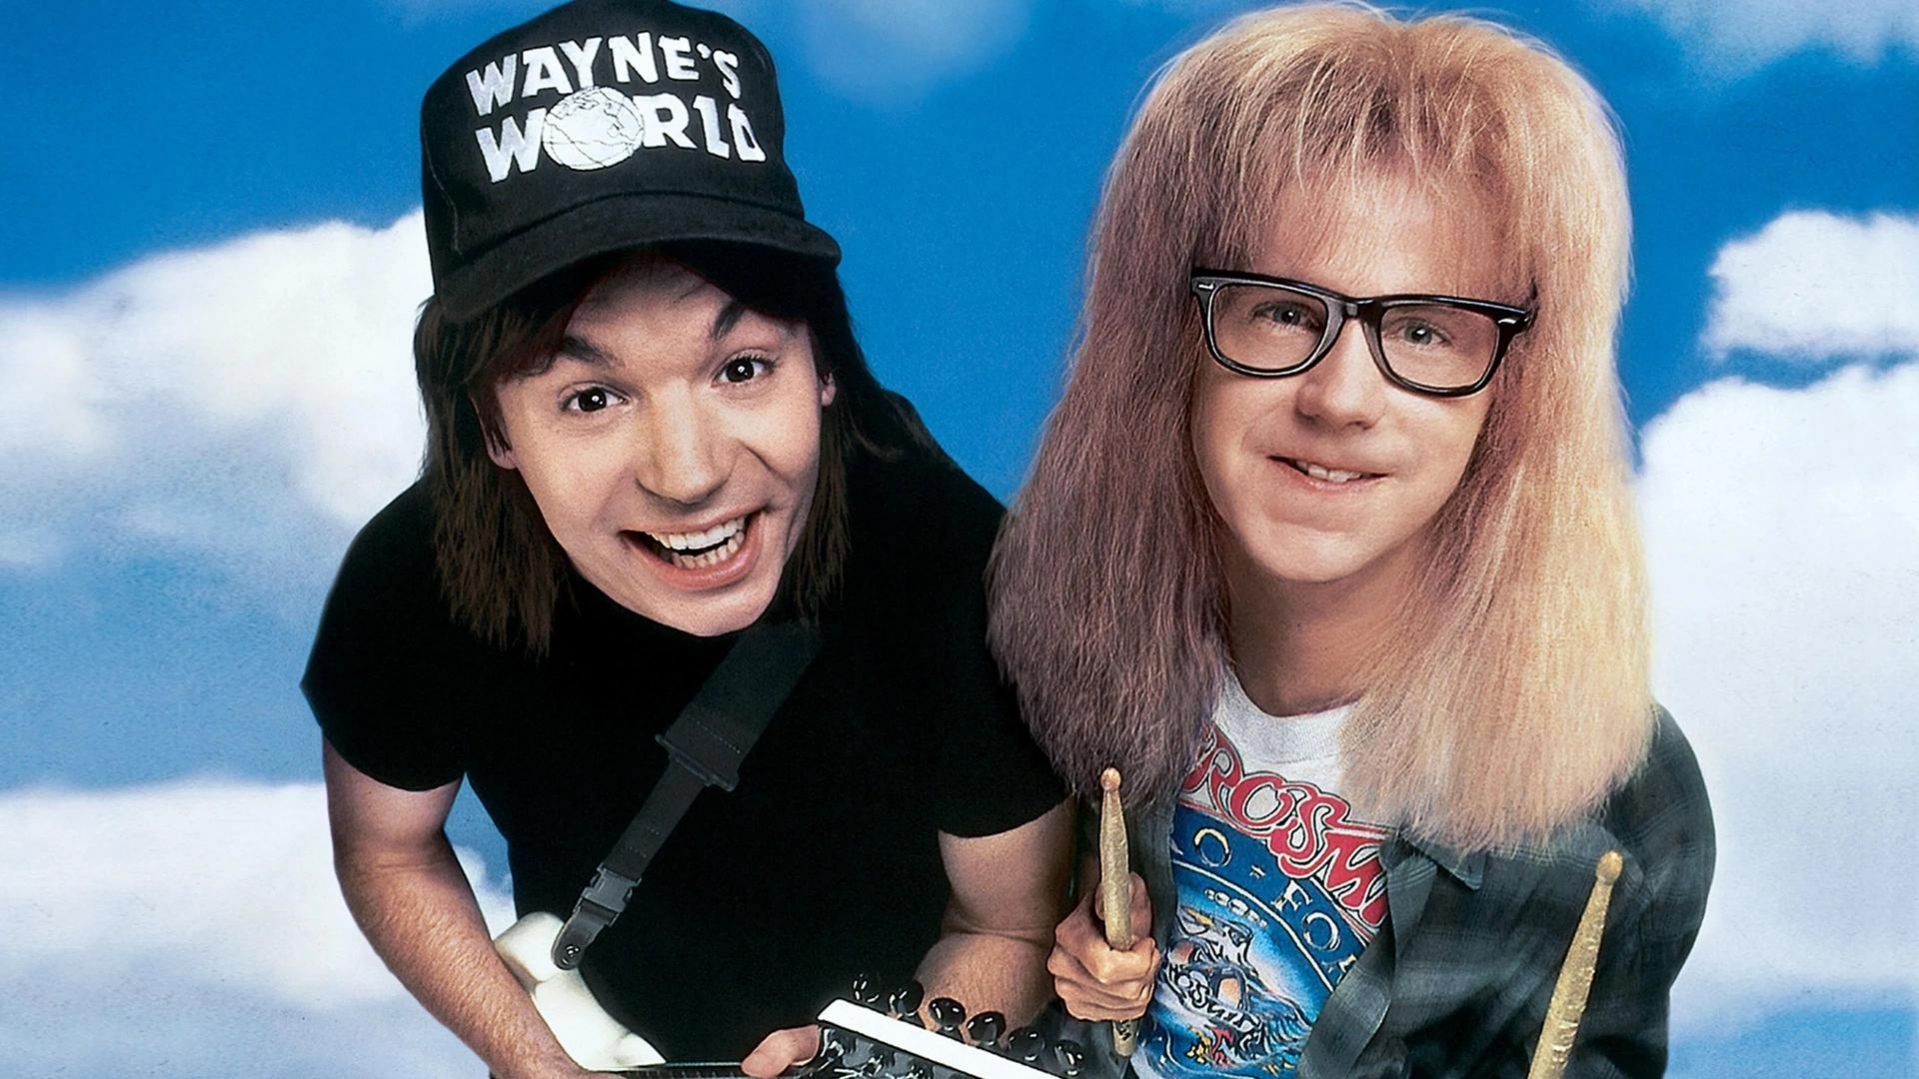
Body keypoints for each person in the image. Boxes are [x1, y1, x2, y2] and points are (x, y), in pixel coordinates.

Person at [302, 2, 1070, 1077]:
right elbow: (388, 848)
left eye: (741, 367)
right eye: (591, 396)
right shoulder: (416, 578)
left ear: (823, 364)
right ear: (493, 428)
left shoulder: (952, 559)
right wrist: (534, 1061)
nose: (688, 472)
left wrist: (882, 1064)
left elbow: (1005, 924)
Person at [987, 5, 1714, 1077]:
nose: (1338, 397)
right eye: (1283, 310)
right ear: (1172, 338)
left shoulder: (1619, 793)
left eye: (1422, 330)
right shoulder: (1054, 640)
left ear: (1516, 393)